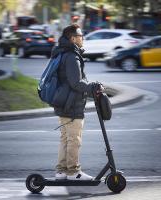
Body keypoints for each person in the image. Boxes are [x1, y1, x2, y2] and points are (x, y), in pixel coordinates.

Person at [51, 24, 103, 180]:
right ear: (73, 39)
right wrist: (93, 86)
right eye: (80, 35)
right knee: (74, 139)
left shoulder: (64, 53)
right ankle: (73, 172)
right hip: (72, 104)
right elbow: (76, 83)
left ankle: (61, 171)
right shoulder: (72, 57)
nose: (82, 38)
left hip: (64, 103)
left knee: (66, 139)